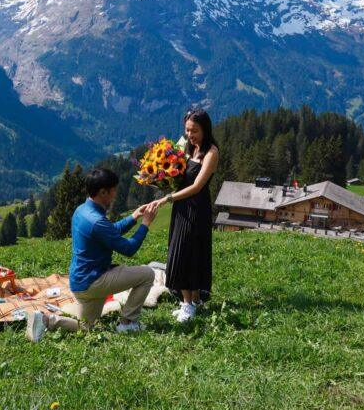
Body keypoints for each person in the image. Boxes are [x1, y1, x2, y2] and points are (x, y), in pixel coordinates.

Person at [25, 167, 158, 342]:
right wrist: (145, 223)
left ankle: (46, 320)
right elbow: (129, 249)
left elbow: (109, 232)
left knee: (86, 327)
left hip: (80, 283)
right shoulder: (97, 221)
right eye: (113, 190)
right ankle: (128, 323)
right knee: (147, 274)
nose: (115, 194)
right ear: (103, 192)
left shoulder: (82, 210)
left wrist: (133, 217)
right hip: (95, 281)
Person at [154, 109, 219, 323]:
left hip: (196, 208)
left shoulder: (211, 153)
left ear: (205, 130)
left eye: (195, 131)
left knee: (188, 253)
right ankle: (193, 300)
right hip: (182, 208)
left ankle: (188, 304)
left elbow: (198, 186)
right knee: (181, 250)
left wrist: (168, 198)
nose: (190, 135)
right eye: (187, 130)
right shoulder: (189, 148)